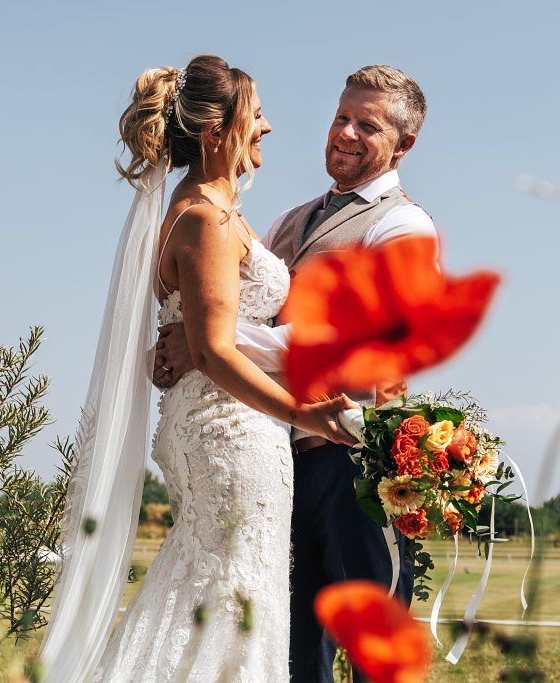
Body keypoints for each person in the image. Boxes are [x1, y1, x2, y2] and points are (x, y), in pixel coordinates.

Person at [36, 55, 358, 683]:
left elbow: (213, 336)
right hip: (231, 432)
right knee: (233, 587)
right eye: (256, 115)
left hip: (219, 426)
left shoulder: (213, 212)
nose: (266, 127)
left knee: (213, 582)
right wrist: (300, 410)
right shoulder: (205, 220)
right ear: (216, 132)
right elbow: (212, 350)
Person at [154, 65, 437, 682]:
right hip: (281, 460)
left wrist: (206, 340)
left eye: (369, 125)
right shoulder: (287, 221)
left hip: (356, 466)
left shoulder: (404, 228)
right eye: (342, 116)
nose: (346, 133)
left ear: (403, 145)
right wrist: (191, 341)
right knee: (292, 652)